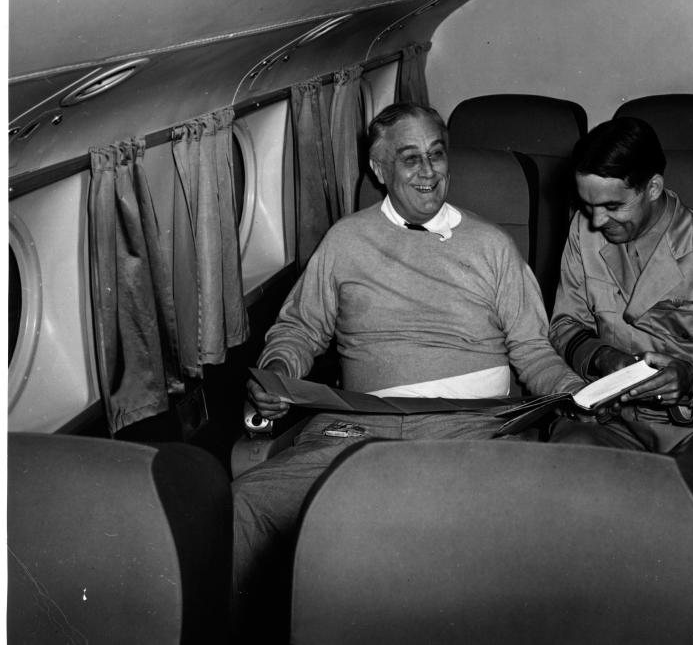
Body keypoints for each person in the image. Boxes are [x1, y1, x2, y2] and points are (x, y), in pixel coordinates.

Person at [232, 102, 585, 639]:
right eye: (410, 158)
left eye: (437, 155)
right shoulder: (346, 241)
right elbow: (299, 329)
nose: (428, 171)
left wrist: (576, 392)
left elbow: (534, 350)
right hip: (359, 429)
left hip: (475, 429)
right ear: (379, 171)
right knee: (248, 504)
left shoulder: (491, 246)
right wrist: (277, 372)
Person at [547, 117, 693, 473]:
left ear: (653, 188)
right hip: (612, 421)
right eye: (588, 206)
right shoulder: (583, 232)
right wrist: (605, 360)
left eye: (612, 207)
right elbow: (564, 325)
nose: (596, 221)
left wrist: (689, 380)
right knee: (565, 472)